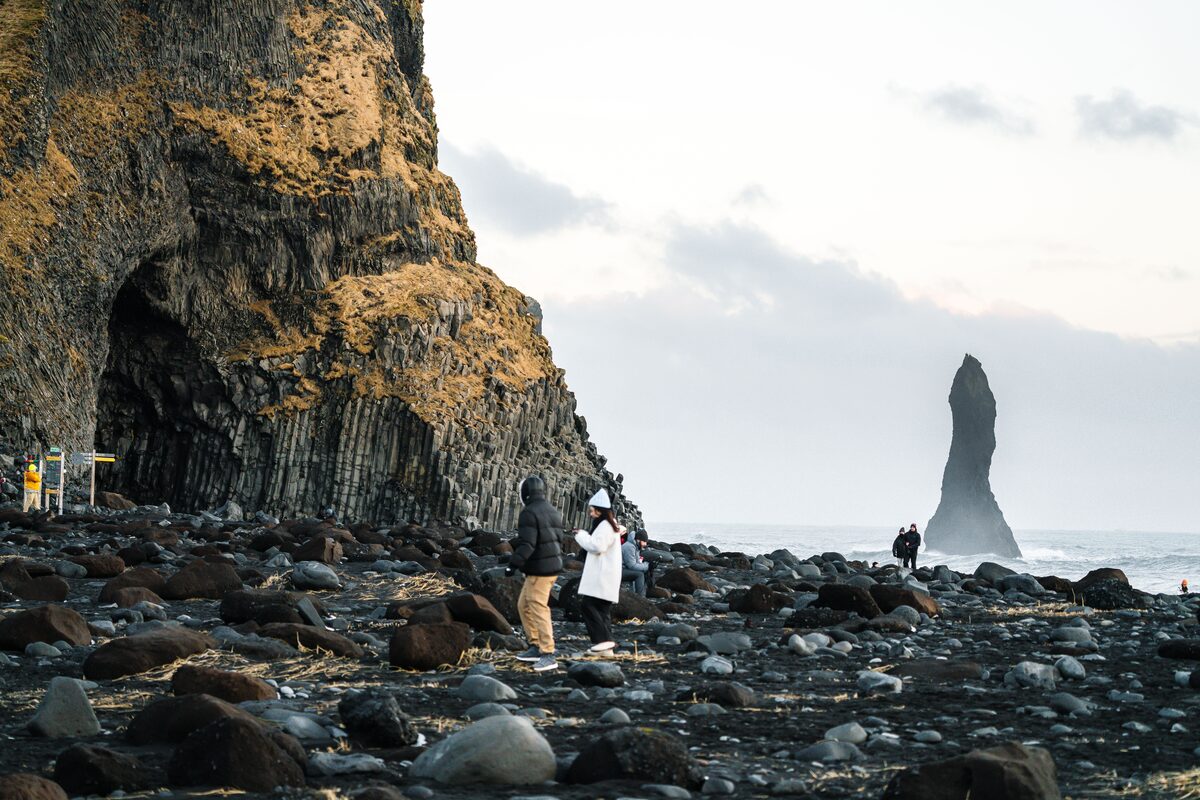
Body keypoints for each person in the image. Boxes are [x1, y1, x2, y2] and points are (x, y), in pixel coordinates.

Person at [508, 476, 564, 672]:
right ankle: (534, 645)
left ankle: (548, 653)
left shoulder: (528, 513)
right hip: (550, 566)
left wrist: (512, 565)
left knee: (538, 607)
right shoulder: (551, 510)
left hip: (541, 569)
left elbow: (527, 545)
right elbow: (560, 538)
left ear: (526, 492)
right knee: (523, 605)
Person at [574, 489, 624, 653]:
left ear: (599, 510)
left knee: (588, 607)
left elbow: (597, 546)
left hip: (602, 577)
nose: (590, 513)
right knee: (602, 612)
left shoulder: (605, 526)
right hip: (607, 577)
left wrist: (581, 535)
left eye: (592, 510)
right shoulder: (610, 525)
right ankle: (606, 649)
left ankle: (604, 643)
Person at [621, 529, 650, 596]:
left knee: (644, 572)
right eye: (644, 542)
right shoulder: (629, 547)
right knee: (639, 575)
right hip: (618, 570)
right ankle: (640, 598)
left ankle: (645, 593)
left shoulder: (636, 546)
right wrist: (647, 566)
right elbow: (632, 566)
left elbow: (637, 563)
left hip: (624, 568)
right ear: (638, 540)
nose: (645, 544)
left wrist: (646, 566)